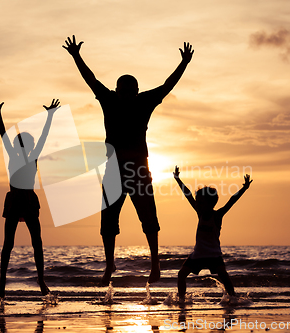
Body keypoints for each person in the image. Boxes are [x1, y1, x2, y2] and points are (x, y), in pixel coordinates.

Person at [63, 35, 194, 285]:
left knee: (149, 218)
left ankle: (155, 265)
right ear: (117, 91)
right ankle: (109, 265)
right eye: (123, 92)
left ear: (136, 91)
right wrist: (76, 56)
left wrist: (184, 64)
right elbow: (91, 80)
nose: (126, 96)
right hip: (113, 169)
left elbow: (167, 85)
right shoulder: (108, 99)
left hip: (138, 169)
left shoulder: (144, 101)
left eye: (131, 92)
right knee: (108, 221)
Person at [0, 97, 60, 298]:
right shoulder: (13, 157)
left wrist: (50, 116)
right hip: (15, 200)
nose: (29, 146)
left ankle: (41, 281)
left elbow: (44, 137)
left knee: (37, 242)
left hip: (28, 201)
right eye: (25, 143)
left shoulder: (33, 157)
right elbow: (3, 134)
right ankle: (2, 282)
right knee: (8, 244)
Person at [173, 166, 252, 301]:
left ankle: (233, 298)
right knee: (181, 275)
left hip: (214, 254)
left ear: (210, 203)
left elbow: (231, 201)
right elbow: (188, 195)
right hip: (198, 254)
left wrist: (244, 188)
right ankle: (181, 300)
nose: (197, 204)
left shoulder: (217, 216)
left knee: (224, 276)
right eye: (197, 202)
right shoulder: (200, 213)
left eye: (200, 202)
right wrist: (177, 179)